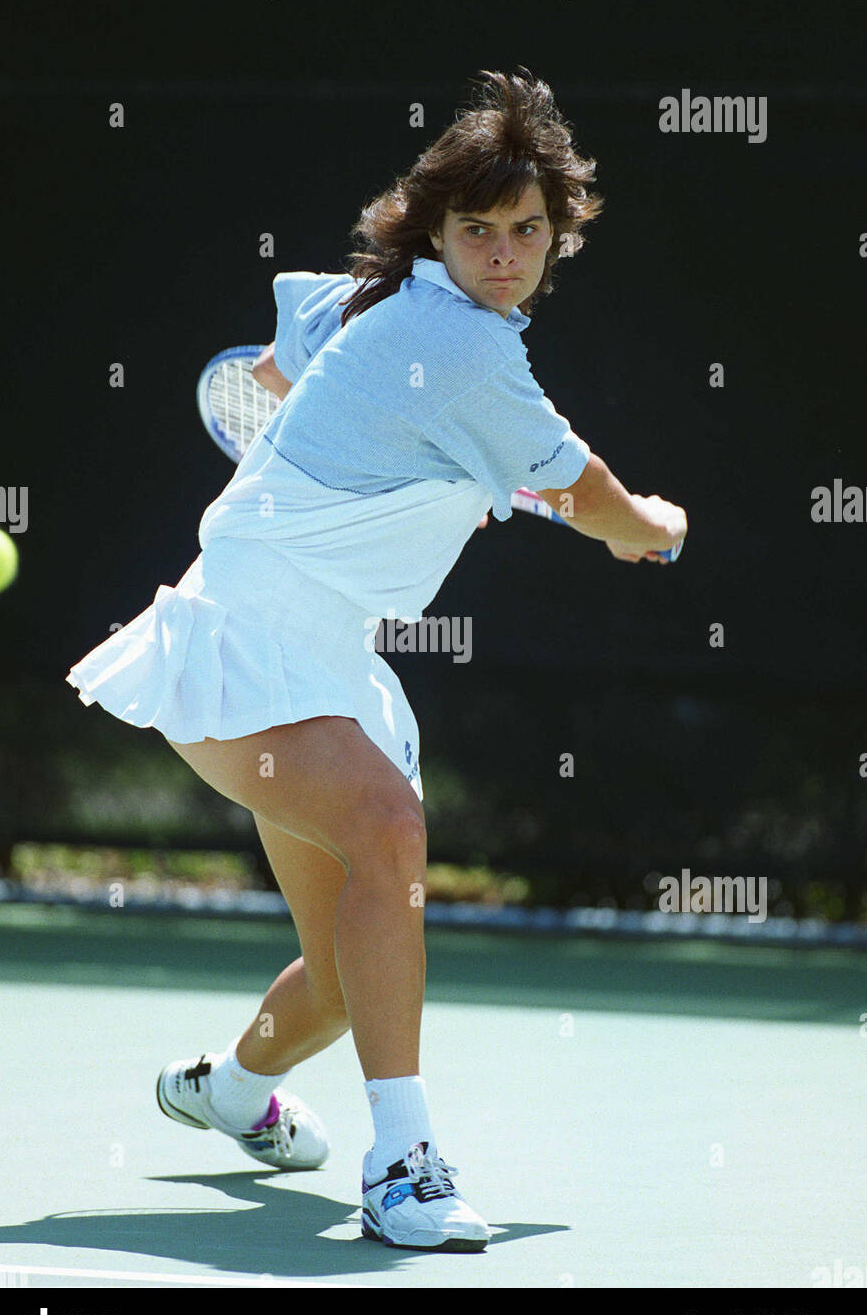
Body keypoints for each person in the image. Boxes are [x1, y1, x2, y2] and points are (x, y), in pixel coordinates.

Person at [65, 67, 687, 1253]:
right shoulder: (462, 352)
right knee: (392, 831)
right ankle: (401, 1169)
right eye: (476, 230)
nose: (502, 255)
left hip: (324, 658)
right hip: (242, 641)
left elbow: (278, 361)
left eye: (526, 232)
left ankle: (230, 1091)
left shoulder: (378, 298)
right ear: (436, 231)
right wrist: (655, 526)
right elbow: (602, 506)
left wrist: (325, 418)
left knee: (349, 975)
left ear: (557, 236)